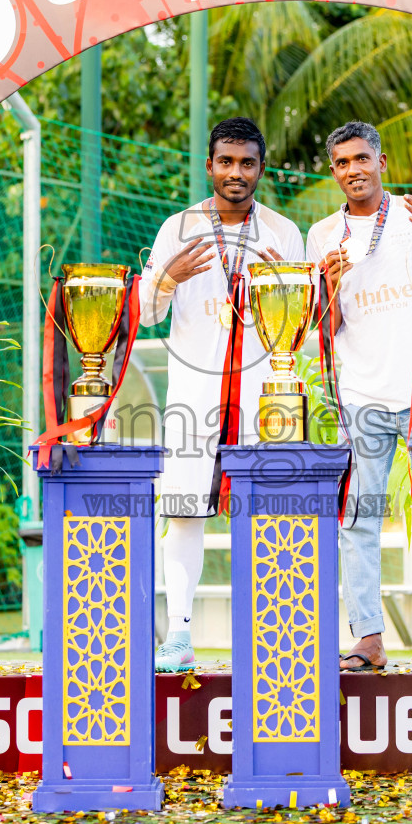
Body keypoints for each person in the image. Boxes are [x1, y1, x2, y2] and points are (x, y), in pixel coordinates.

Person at [306, 120, 412, 672]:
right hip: (360, 396)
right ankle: (369, 639)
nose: (353, 170)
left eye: (361, 158)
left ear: (381, 162)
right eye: (342, 163)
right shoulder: (321, 235)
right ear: (333, 172)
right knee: (358, 518)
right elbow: (325, 329)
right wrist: (328, 287)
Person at [140, 117, 304, 672]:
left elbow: (300, 328)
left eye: (247, 163)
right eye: (226, 162)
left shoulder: (282, 231)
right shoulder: (177, 227)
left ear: (261, 168)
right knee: (184, 514)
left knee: (265, 515)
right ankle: (178, 635)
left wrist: (288, 287)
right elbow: (146, 314)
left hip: (263, 397)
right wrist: (168, 276)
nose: (236, 172)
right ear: (209, 165)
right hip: (195, 396)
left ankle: (271, 634)